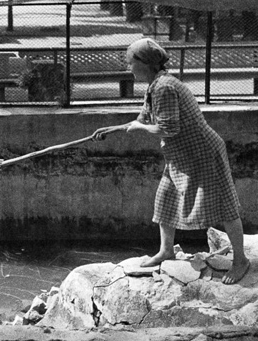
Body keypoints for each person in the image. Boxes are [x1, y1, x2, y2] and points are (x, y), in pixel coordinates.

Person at [92, 38, 250, 284]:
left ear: (145, 63)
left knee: (225, 206)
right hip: (181, 156)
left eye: (130, 63)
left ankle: (240, 260)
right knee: (165, 198)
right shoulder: (155, 84)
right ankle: (166, 250)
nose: (128, 68)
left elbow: (169, 128)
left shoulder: (164, 87)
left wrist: (139, 128)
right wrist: (110, 129)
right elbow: (143, 119)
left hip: (203, 153)